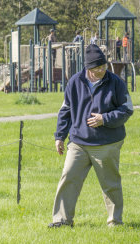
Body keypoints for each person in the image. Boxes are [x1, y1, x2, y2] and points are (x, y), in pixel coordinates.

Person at [48, 44, 134, 228]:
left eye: (103, 66)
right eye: (96, 69)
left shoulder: (116, 82)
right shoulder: (74, 82)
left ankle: (115, 222)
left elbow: (127, 110)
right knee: (68, 178)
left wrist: (105, 118)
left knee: (110, 184)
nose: (101, 71)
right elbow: (66, 110)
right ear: (87, 68)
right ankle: (62, 220)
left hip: (107, 143)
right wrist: (59, 136)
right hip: (78, 143)